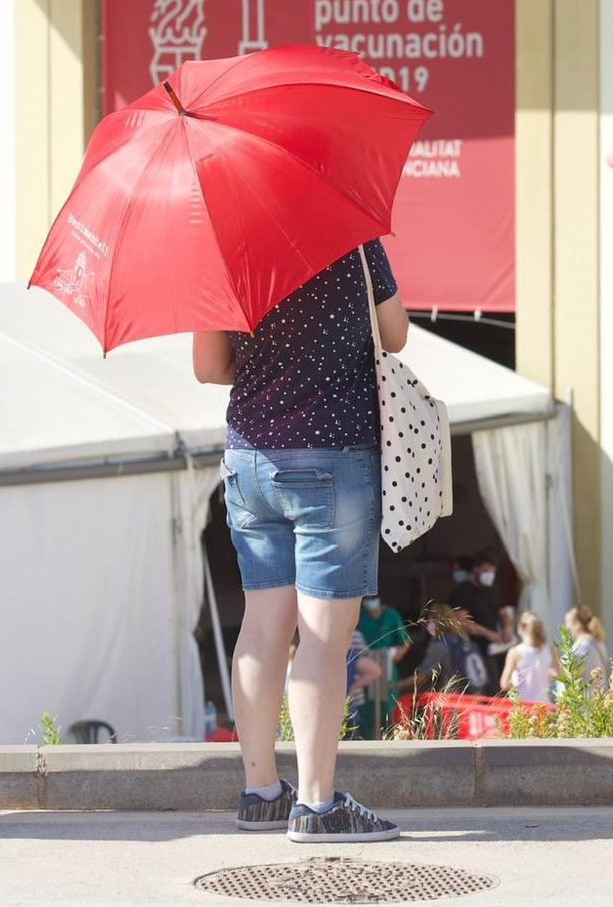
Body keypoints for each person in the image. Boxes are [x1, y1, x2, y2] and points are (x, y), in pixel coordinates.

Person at [195, 238, 408, 843]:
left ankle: (261, 793)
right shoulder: (351, 238)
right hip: (329, 457)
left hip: (249, 461)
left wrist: (266, 364)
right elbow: (394, 335)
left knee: (262, 625)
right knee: (323, 633)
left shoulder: (226, 246)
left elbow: (209, 366)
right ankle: (317, 806)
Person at [353, 594, 408, 739]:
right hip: (363, 670)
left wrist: (397, 653)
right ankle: (366, 743)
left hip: (387, 671)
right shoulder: (358, 616)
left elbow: (405, 641)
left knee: (388, 711)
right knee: (365, 714)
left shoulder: (391, 615)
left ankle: (388, 741)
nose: (371, 602)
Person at [500, 612, 559, 705]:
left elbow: (504, 683)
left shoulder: (515, 652)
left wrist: (517, 684)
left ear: (520, 626)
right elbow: (560, 675)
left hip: (523, 707)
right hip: (544, 705)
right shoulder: (550, 650)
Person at [563, 605, 608, 687]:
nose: (567, 627)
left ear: (577, 623)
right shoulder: (598, 641)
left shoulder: (581, 646)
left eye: (568, 623)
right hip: (601, 695)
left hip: (587, 697)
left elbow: (566, 672)